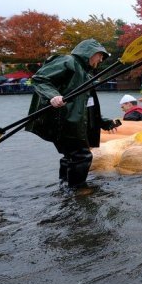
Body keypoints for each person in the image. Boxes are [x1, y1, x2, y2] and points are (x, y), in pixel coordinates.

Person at [25, 39, 118, 188]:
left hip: (73, 122)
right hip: (64, 120)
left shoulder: (86, 76)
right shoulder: (68, 61)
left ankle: (65, 185)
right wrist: (52, 96)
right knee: (82, 156)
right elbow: (40, 79)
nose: (101, 59)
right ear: (89, 53)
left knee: (71, 155)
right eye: (100, 55)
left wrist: (103, 121)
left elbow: (88, 106)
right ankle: (78, 191)